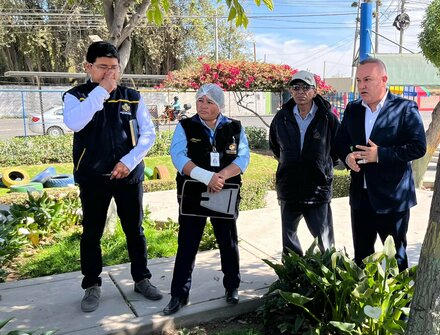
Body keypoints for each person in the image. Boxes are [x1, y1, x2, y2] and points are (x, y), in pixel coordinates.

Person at [63, 41, 161, 313]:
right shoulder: (76, 96)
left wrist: (128, 162)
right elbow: (75, 123)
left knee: (135, 230)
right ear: (88, 67)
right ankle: (92, 285)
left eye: (114, 68)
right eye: (103, 68)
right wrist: (102, 91)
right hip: (93, 176)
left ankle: (142, 279)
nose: (110, 74)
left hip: (128, 175)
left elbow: (148, 135)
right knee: (92, 233)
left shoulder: (133, 96)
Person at [164, 83, 250, 315]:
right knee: (188, 243)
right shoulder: (185, 126)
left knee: (228, 241)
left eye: (209, 102)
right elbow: (178, 156)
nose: (203, 106)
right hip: (193, 193)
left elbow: (243, 158)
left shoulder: (235, 127)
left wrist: (220, 176)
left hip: (224, 191)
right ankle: (178, 295)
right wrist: (205, 177)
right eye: (200, 100)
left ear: (219, 105)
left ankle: (232, 286)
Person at [333, 57, 426, 271]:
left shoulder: (404, 108)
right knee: (362, 258)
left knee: (396, 260)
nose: (362, 86)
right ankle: (364, 302)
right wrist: (347, 157)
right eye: (358, 80)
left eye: (367, 79)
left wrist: (381, 154)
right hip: (361, 198)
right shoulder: (353, 109)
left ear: (384, 79)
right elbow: (340, 142)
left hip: (392, 199)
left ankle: (397, 302)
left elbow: (418, 147)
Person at [269, 71, 340, 256]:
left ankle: (330, 274)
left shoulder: (327, 118)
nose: (300, 92)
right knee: (289, 237)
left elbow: (337, 149)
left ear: (315, 91)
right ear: (291, 91)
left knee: (324, 238)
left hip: (317, 188)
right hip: (289, 186)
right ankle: (293, 275)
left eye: (306, 87)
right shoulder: (281, 118)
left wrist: (323, 166)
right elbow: (275, 147)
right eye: (296, 87)